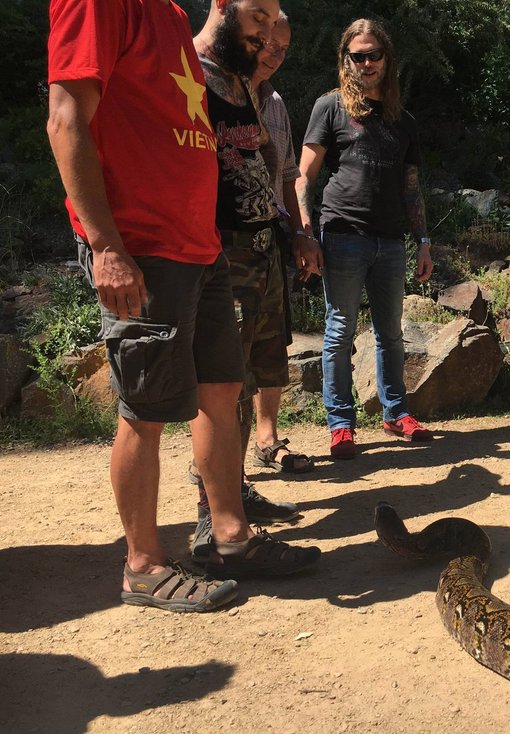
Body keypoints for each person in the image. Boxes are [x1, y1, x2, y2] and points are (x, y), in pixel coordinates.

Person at [47, 0, 319, 612]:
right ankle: (142, 564)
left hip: (202, 246)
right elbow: (65, 119)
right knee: (145, 409)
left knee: (221, 392)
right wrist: (105, 245)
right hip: (143, 245)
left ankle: (230, 539)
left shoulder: (170, 14)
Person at [187, 0, 322, 558]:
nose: (270, 47)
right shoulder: (195, 73)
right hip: (223, 250)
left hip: (262, 245)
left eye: (279, 42)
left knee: (250, 376)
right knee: (222, 383)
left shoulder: (253, 91)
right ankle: (209, 514)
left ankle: (234, 491)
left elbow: (278, 166)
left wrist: (291, 229)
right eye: (262, 29)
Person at [296, 18, 434, 460]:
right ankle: (340, 425)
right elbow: (303, 177)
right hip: (341, 236)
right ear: (346, 60)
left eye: (375, 54)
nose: (368, 62)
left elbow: (412, 187)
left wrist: (424, 241)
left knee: (391, 335)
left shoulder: (403, 120)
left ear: (387, 59)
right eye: (358, 55)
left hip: (391, 242)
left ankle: (395, 413)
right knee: (339, 334)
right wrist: (305, 233)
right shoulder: (331, 107)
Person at [249, 12, 322, 471]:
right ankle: (218, 474)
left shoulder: (274, 101)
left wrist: (301, 233)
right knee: (225, 351)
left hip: (272, 235)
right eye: (268, 43)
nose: (275, 54)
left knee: (272, 342)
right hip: (224, 237)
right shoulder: (211, 90)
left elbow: (291, 175)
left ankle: (268, 438)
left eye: (284, 48)